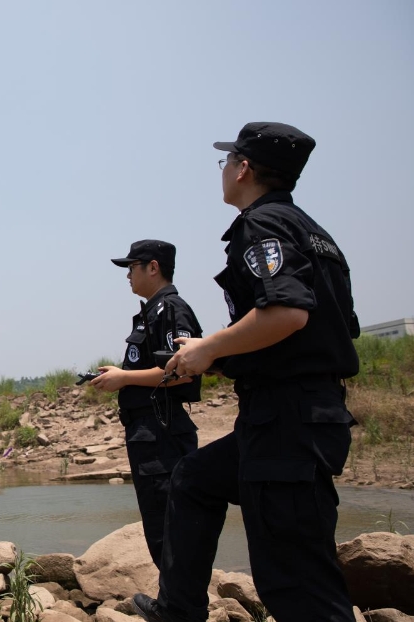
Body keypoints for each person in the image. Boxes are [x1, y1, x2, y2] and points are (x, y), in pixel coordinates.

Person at [132, 123, 360, 622]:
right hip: (291, 413)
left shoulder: (264, 225)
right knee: (193, 479)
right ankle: (178, 609)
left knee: (295, 581)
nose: (223, 172)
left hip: (288, 422)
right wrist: (219, 354)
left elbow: (288, 314)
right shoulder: (313, 231)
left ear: (244, 168)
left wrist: (211, 346)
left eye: (226, 162)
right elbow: (321, 330)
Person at [90, 240, 202, 567]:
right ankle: (173, 600)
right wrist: (121, 375)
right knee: (157, 522)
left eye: (131, 267)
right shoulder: (151, 311)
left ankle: (179, 605)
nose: (127, 275)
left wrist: (124, 378)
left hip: (162, 431)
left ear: (153, 267)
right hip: (148, 432)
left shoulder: (172, 308)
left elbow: (184, 373)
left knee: (169, 521)